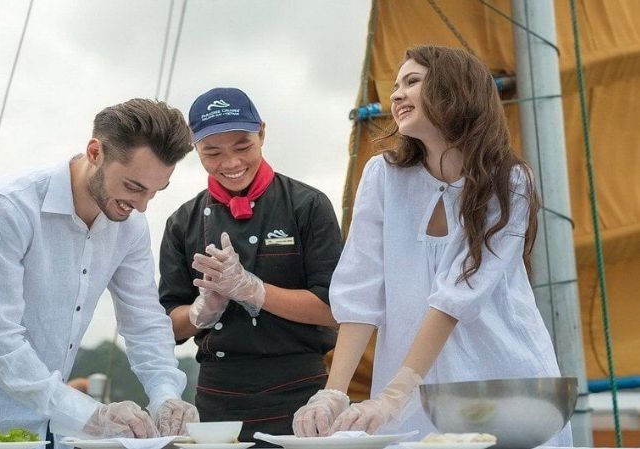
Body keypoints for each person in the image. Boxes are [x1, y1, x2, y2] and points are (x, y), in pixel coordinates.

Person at [292, 45, 573, 446]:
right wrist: (334, 392)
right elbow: (361, 289)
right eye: (395, 86)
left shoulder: (510, 182)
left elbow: (457, 296)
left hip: (500, 382)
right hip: (408, 396)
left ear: (455, 90)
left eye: (412, 82)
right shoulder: (382, 176)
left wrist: (392, 395)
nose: (395, 95)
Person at [0, 99, 200, 446]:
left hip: (54, 429)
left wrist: (166, 395)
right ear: (95, 152)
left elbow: (144, 321)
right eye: (133, 187)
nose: (141, 206)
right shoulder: (4, 209)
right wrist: (93, 414)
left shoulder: (130, 226)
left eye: (155, 192)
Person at [159, 87, 342, 442]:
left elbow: (335, 310)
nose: (230, 163)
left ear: (262, 132)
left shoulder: (308, 205)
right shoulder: (182, 222)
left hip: (301, 391)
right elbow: (167, 327)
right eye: (212, 152)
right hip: (217, 397)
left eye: (243, 146)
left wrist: (252, 289)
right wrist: (203, 311)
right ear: (196, 150)